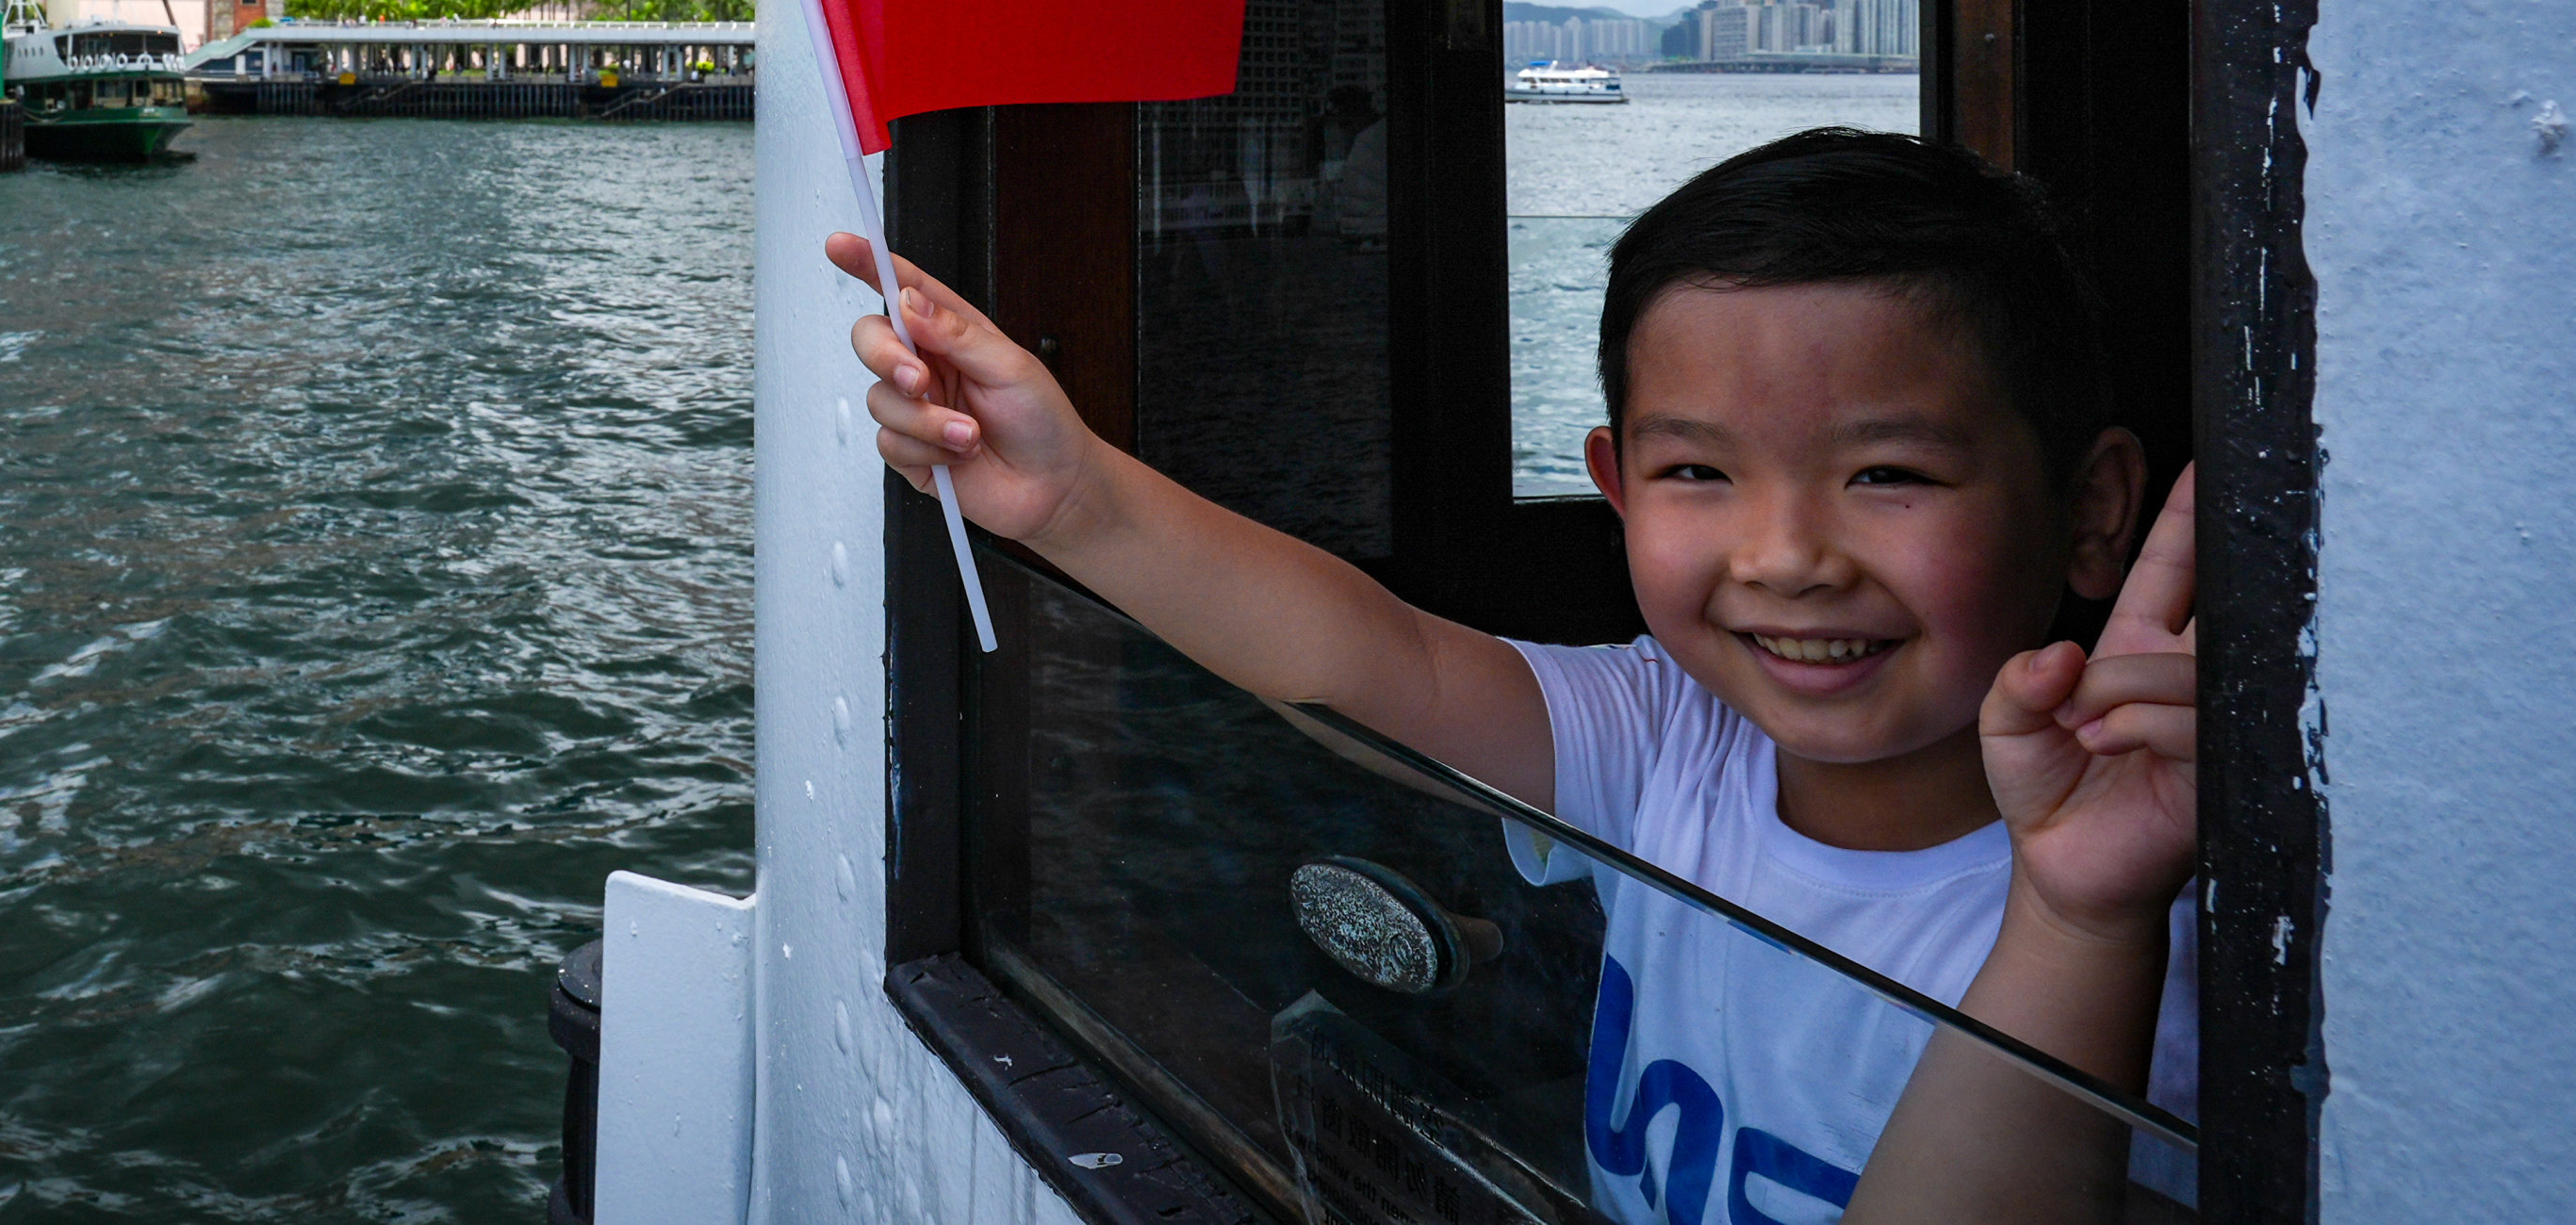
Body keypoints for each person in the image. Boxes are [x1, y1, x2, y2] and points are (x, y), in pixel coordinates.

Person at [837, 130, 2196, 1221]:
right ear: (1614, 486)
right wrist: (1074, 498)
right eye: (1699, 472)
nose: (1787, 555)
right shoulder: (1681, 734)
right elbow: (1376, 656)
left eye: (1888, 473)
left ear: (2089, 509)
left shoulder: (2142, 927)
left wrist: (2079, 923)